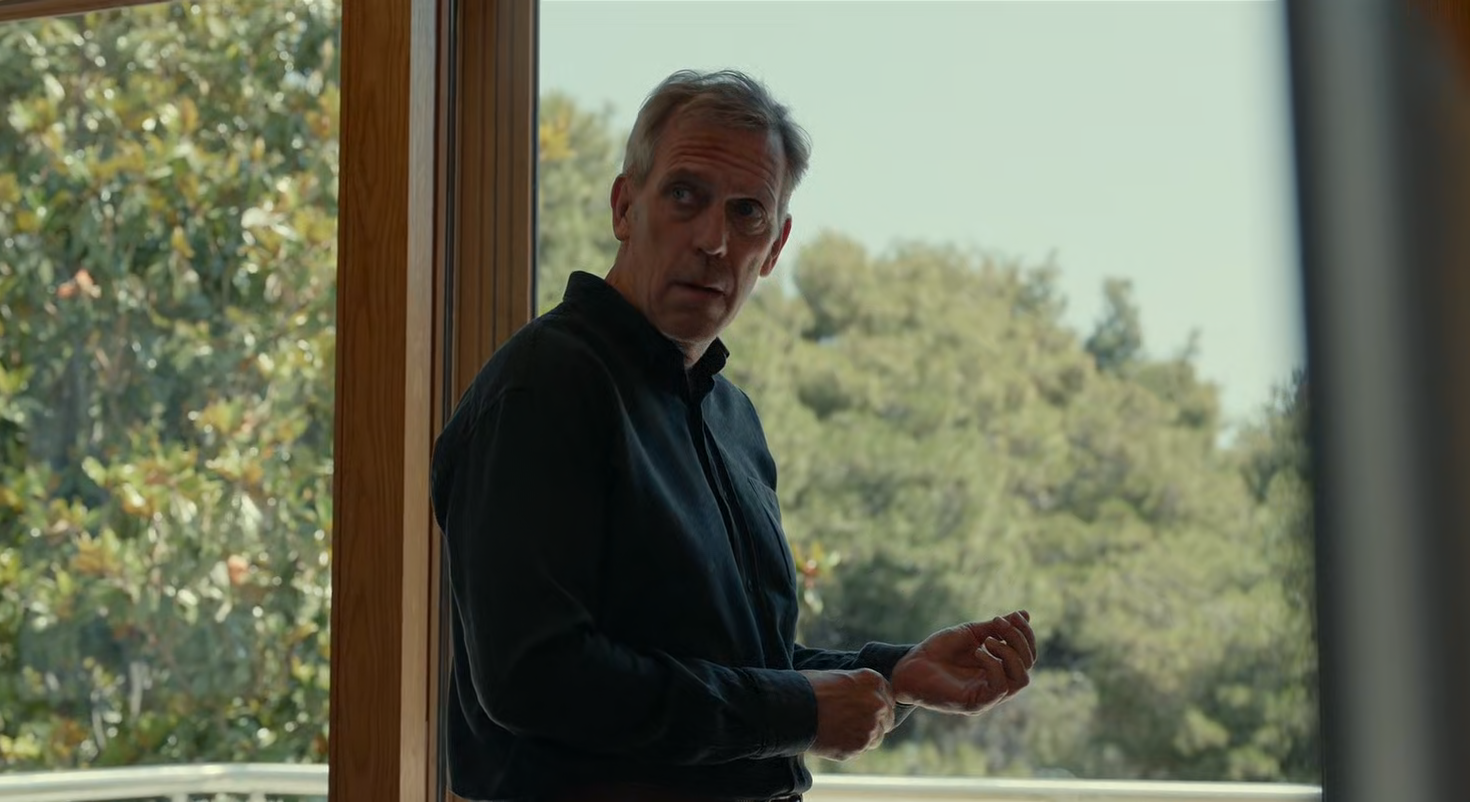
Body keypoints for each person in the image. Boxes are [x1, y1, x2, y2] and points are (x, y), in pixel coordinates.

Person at [429, 69, 1039, 802]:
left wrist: (893, 673)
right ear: (624, 207)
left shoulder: (732, 417)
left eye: (748, 212)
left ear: (775, 247)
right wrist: (798, 712)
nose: (714, 240)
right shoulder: (543, 386)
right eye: (685, 196)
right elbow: (535, 679)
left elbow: (737, 665)